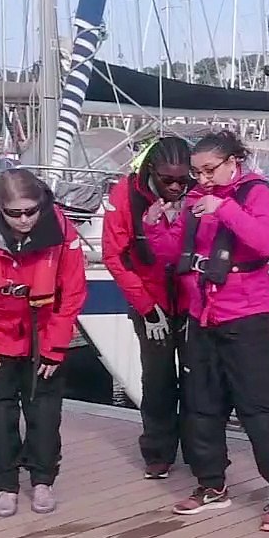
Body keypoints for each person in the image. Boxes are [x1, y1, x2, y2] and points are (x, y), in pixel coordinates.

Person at [145, 130, 269, 532]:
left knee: (261, 409)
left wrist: (224, 209)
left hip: (247, 315)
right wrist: (159, 228)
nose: (202, 179)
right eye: (197, 172)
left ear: (234, 162)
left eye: (210, 170)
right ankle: (211, 484)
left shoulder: (254, 194)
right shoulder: (196, 198)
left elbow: (268, 243)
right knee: (201, 405)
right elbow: (176, 254)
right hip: (204, 315)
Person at [0, 169, 88, 517]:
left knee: (44, 414)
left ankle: (42, 480)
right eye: (15, 213)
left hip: (43, 337)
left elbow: (72, 292)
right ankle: (5, 485)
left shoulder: (61, 231)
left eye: (31, 211)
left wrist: (55, 348)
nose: (25, 220)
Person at [101, 136, 193, 479]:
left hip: (189, 300)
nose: (175, 186)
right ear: (152, 171)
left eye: (182, 180)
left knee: (197, 378)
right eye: (168, 179)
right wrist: (145, 306)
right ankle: (158, 451)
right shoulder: (124, 195)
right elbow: (114, 256)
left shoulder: (194, 191)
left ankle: (200, 451)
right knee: (157, 378)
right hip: (150, 299)